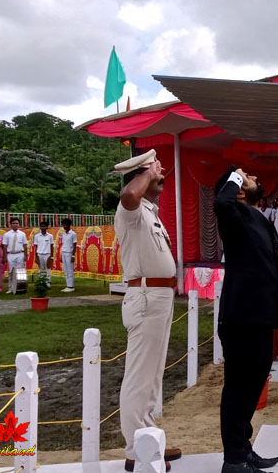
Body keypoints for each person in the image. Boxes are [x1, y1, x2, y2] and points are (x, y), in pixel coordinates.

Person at [113, 149, 182, 472]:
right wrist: (147, 175)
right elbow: (128, 194)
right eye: (156, 168)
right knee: (140, 376)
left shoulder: (149, 210)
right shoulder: (131, 207)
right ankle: (134, 449)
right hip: (145, 295)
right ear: (141, 175)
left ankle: (149, 438)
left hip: (159, 295)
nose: (162, 171)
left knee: (153, 375)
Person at [213, 166, 278, 473]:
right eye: (245, 177)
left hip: (263, 315)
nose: (252, 177)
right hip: (241, 316)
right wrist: (235, 177)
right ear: (238, 189)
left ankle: (244, 448)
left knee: (253, 386)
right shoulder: (233, 215)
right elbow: (221, 202)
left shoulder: (256, 218)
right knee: (238, 388)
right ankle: (234, 460)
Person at [2, 218, 28, 294]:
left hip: (20, 254)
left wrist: (25, 255)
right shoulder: (7, 234)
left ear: (19, 224)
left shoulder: (22, 234)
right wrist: (5, 256)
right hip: (10, 254)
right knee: (11, 272)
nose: (15, 225)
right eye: (14, 223)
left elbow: (25, 245)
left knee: (20, 272)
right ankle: (11, 288)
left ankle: (20, 287)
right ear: (11, 224)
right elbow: (4, 246)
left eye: (17, 223)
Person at [33, 221, 54, 286]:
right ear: (40, 227)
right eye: (41, 226)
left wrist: (51, 256)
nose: (43, 227)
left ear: (47, 227)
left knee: (48, 269)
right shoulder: (37, 236)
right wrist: (36, 256)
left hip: (47, 254)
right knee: (40, 270)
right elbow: (35, 246)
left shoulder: (50, 236)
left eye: (44, 226)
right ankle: (41, 283)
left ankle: (48, 284)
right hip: (39, 254)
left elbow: (51, 246)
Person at [60, 218, 78, 292]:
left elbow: (74, 245)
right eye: (63, 225)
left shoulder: (73, 234)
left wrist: (73, 255)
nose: (64, 226)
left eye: (66, 225)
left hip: (69, 253)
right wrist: (61, 255)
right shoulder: (64, 234)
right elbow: (64, 244)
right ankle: (68, 285)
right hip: (64, 252)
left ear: (69, 225)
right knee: (66, 269)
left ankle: (71, 286)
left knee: (70, 269)